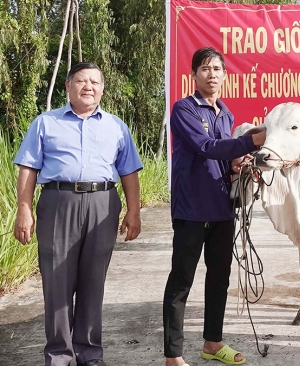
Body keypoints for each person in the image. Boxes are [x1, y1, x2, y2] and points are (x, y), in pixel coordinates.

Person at [13, 62, 143, 366]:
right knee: (57, 280)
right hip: (58, 202)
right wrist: (23, 208)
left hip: (102, 203)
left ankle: (89, 354)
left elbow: (129, 172)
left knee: (93, 281)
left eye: (95, 82)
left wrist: (134, 212)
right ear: (68, 86)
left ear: (102, 89)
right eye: (82, 81)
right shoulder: (46, 122)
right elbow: (28, 167)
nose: (89, 87)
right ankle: (59, 355)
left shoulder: (116, 126)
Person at [163, 47, 265, 366]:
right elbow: (206, 147)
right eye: (205, 69)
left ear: (224, 76)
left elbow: (222, 156)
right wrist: (251, 140)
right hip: (191, 210)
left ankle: (213, 343)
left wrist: (238, 163)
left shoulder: (227, 114)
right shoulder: (183, 110)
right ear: (194, 76)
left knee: (219, 277)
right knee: (182, 279)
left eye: (217, 69)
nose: (212, 74)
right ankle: (173, 354)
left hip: (222, 208)